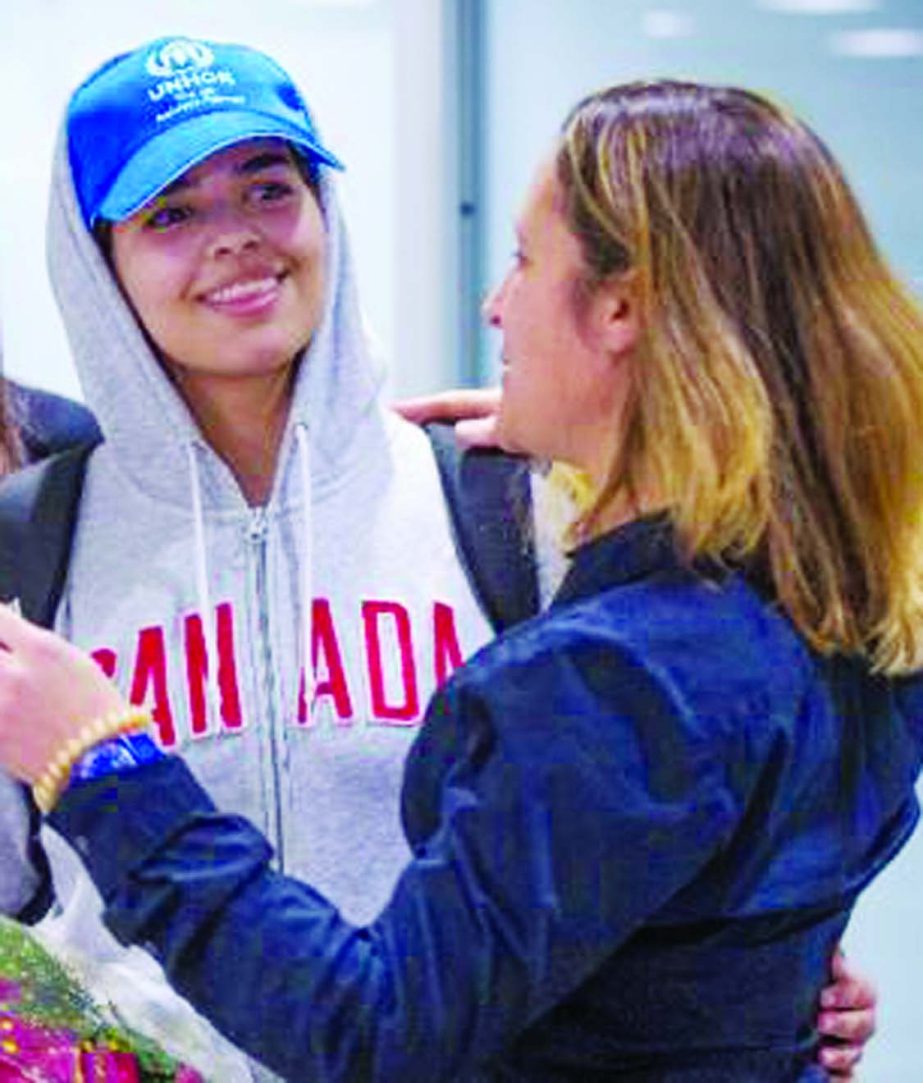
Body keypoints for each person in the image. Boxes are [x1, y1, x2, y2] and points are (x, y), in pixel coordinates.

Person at [0, 76, 914, 1080]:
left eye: (269, 189)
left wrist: (101, 766)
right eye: (171, 212)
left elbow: (386, 1030)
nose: (234, 238)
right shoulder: (31, 540)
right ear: (99, 265)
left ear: (619, 311)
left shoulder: (509, 523)